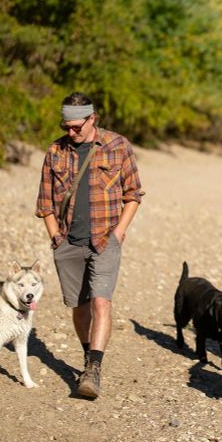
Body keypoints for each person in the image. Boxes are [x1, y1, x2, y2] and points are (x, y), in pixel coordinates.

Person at [35, 92, 144, 399]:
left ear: (92, 118)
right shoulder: (55, 150)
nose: (71, 132)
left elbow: (133, 194)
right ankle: (88, 355)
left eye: (76, 127)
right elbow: (44, 201)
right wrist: (55, 236)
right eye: (66, 126)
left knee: (101, 302)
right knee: (80, 307)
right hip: (68, 241)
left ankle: (93, 370)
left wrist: (120, 232)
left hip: (105, 238)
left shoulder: (118, 145)